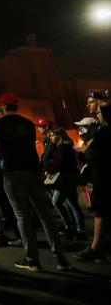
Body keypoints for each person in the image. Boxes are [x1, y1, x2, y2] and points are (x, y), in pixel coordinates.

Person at [0, 92, 71, 272]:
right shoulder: (27, 123)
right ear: (16, 106)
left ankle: (32, 259)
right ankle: (61, 259)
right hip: (33, 170)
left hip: (13, 171)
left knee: (22, 215)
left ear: (3, 106)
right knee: (45, 215)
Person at [75, 90, 110, 263]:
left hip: (104, 174)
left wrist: (87, 148)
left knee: (101, 210)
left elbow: (88, 151)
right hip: (97, 173)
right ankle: (98, 247)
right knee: (100, 210)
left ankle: (96, 249)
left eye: (91, 102)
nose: (88, 105)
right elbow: (83, 150)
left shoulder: (103, 128)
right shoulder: (96, 127)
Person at [44, 127, 86, 241]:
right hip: (69, 178)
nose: (50, 137)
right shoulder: (64, 147)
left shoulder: (62, 148)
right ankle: (80, 230)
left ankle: (70, 227)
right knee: (73, 204)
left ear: (59, 136)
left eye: (52, 135)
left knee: (56, 201)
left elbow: (58, 163)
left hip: (64, 179)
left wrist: (48, 167)